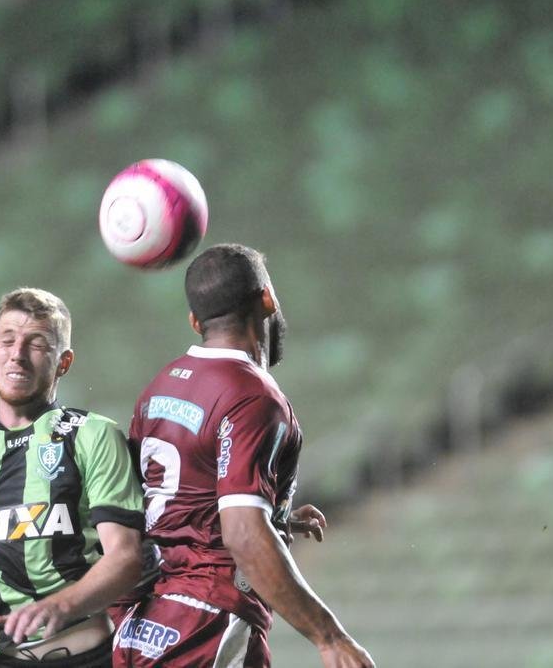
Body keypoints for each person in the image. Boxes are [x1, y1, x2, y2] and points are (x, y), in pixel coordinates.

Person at [111, 244, 375, 668]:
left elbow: (173, 501)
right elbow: (243, 535)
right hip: (208, 629)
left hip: (145, 626)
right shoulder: (255, 397)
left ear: (195, 321)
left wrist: (277, 516)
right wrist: (330, 638)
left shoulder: (160, 387)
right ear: (267, 299)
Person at [0, 288, 145, 668]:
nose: (17, 354)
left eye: (36, 343)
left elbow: (125, 557)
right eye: (8, 340)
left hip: (89, 659)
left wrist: (60, 605)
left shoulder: (92, 435)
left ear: (64, 362)